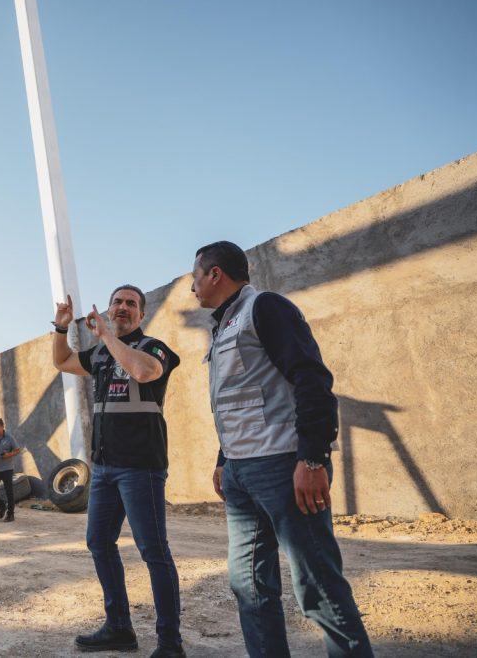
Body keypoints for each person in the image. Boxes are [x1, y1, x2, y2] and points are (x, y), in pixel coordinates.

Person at [191, 241, 373, 657]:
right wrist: (223, 460)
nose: (192, 287)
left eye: (195, 277)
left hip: (282, 466)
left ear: (215, 274)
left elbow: (312, 380)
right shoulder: (223, 325)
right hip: (240, 473)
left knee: (318, 587)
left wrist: (313, 458)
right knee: (249, 586)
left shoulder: (265, 307)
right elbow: (239, 399)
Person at [53, 285, 185, 657]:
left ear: (142, 314)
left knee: (154, 552)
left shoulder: (154, 348)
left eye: (131, 303)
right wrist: (62, 328)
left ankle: (170, 643)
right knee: (99, 542)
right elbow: (62, 362)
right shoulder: (99, 354)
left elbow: (142, 371)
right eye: (117, 302)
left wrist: (106, 336)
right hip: (104, 469)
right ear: (109, 309)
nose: (123, 307)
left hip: (141, 468)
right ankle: (119, 628)